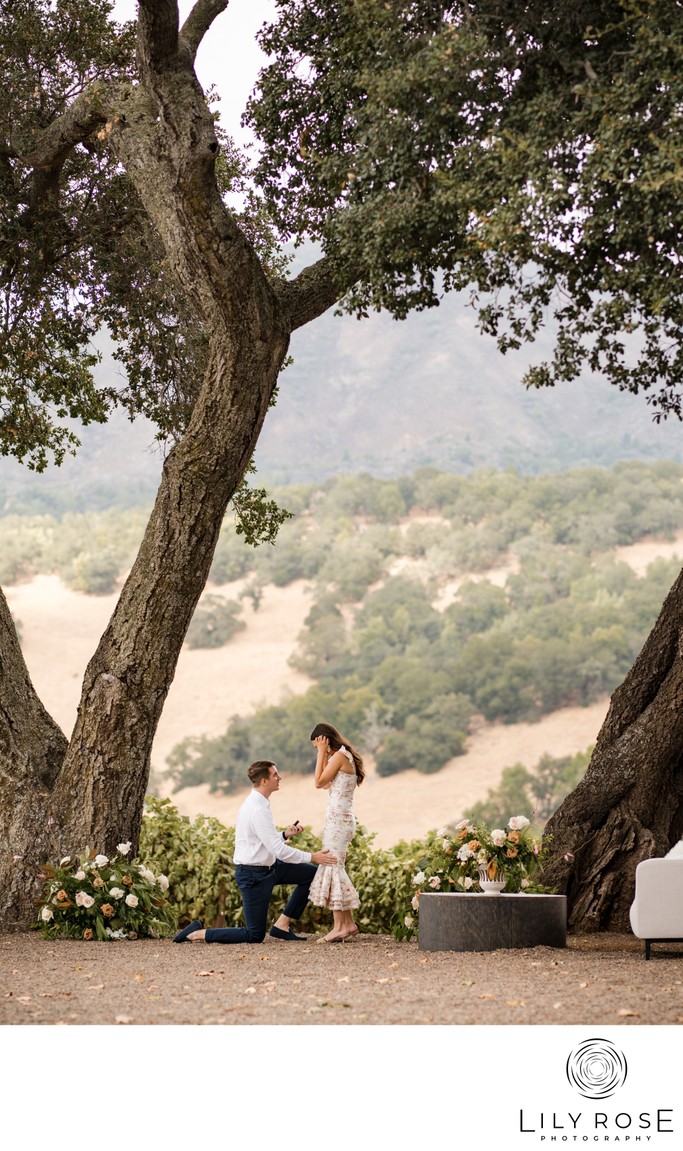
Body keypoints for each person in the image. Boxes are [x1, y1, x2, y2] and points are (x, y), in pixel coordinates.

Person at [173, 759, 336, 944]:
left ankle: (282, 925)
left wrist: (284, 834)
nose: (280, 777)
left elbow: (263, 840)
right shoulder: (257, 808)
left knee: (312, 875)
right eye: (275, 775)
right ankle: (196, 934)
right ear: (264, 781)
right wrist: (313, 856)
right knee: (254, 935)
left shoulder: (259, 803)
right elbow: (279, 850)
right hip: (252, 875)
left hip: (271, 867)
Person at [308, 722, 365, 942]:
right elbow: (323, 784)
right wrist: (323, 754)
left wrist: (322, 753)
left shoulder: (340, 756)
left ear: (325, 741)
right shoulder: (338, 757)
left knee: (332, 865)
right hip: (337, 820)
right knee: (333, 865)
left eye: (319, 745)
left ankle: (341, 926)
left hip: (339, 821)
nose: (319, 751)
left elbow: (318, 781)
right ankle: (346, 924)